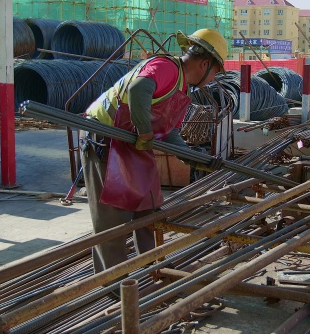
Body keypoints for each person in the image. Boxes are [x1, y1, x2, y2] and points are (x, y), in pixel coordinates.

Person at [80, 28, 227, 273]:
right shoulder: (167, 67)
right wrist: (146, 132)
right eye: (215, 73)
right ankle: (113, 283)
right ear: (204, 64)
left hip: (132, 142)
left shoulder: (182, 89)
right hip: (106, 137)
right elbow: (138, 90)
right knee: (113, 220)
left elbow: (170, 135)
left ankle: (151, 269)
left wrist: (195, 159)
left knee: (148, 209)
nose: (213, 79)